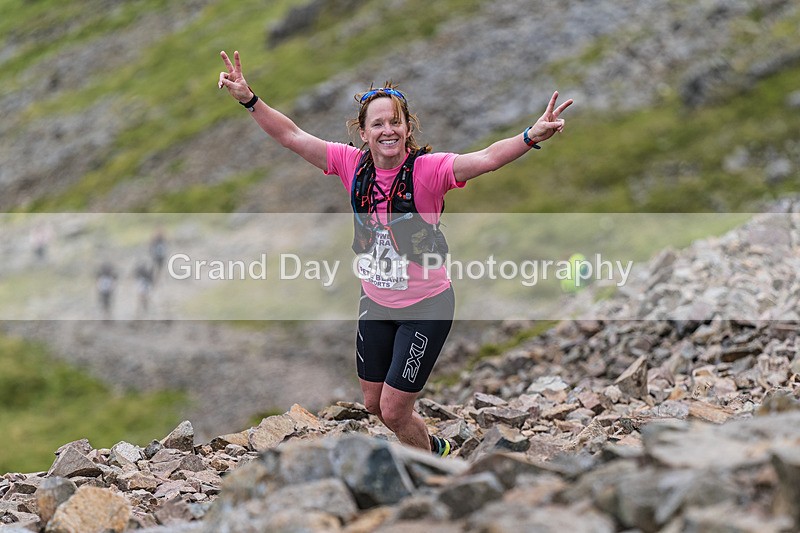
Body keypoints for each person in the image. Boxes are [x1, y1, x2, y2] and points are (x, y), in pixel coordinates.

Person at [218, 50, 572, 456]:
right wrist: (249, 99)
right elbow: (292, 136)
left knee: (395, 409)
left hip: (427, 306)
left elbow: (487, 158)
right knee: (373, 405)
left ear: (407, 129)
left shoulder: (429, 171)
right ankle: (435, 444)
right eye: (378, 124)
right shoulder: (350, 164)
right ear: (364, 133)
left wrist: (531, 136)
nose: (388, 130)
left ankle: (433, 464)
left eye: (395, 122)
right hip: (376, 302)